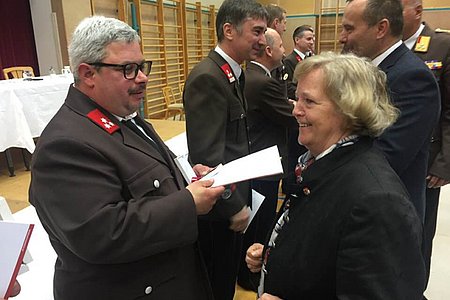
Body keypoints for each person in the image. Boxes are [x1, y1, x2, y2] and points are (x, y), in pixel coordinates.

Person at [29, 16, 225, 300]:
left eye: (142, 66)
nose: (143, 77)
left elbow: (149, 181)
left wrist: (188, 180)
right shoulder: (64, 144)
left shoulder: (124, 117)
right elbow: (101, 233)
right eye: (128, 69)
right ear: (87, 74)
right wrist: (187, 202)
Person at [245, 52, 426, 299]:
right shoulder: (321, 165)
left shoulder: (377, 201)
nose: (295, 110)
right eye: (296, 98)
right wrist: (273, 254)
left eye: (308, 101)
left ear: (348, 110)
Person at [183, 1, 268, 299]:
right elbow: (206, 159)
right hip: (218, 209)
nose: (262, 39)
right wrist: (234, 207)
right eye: (256, 31)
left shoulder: (232, 74)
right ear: (229, 30)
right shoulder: (209, 78)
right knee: (216, 286)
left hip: (233, 198)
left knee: (226, 279)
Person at [339, 0, 440, 221]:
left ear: (381, 29)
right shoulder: (362, 70)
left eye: (349, 28)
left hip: (386, 216)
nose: (342, 37)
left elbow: (386, 156)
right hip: (356, 202)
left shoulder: (412, 78)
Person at [237, 28, 298, 292]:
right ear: (270, 51)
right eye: (282, 45)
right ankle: (249, 276)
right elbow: (291, 116)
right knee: (259, 227)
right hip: (264, 165)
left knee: (256, 223)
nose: (285, 50)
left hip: (256, 161)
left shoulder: (250, 76)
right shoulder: (263, 82)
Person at [401, 0, 450, 294]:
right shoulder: (385, 45)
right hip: (388, 156)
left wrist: (445, 163)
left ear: (417, 10)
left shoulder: (441, 45)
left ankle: (415, 290)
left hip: (426, 162)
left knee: (420, 233)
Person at [284, 25, 315, 100]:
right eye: (308, 39)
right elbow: (288, 86)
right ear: (297, 40)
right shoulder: (289, 61)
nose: (312, 42)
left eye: (313, 39)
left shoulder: (312, 58)